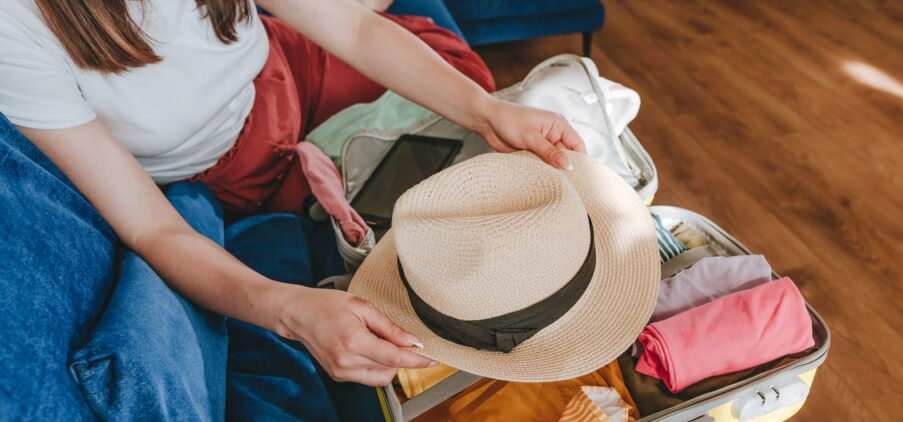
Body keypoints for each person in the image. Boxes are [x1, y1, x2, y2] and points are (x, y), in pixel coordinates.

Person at [0, 0, 585, 387]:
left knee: (470, 90)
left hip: (290, 64)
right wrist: (289, 311)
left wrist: (486, 112)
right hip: (245, 173)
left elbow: (354, 29)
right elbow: (154, 228)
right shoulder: (15, 33)